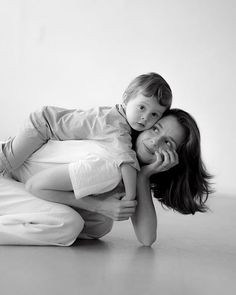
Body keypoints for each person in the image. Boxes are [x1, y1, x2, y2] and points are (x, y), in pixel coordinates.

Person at [0, 108, 212, 246]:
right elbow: (36, 185)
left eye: (168, 143)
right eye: (155, 129)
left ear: (174, 159)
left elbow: (146, 238)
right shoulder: (112, 163)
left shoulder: (128, 166)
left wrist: (143, 177)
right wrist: (99, 206)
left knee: (100, 224)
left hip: (20, 182)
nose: (156, 141)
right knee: (68, 224)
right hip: (7, 176)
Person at [0, 72, 172, 202]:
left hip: (46, 125)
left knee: (10, 157)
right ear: (127, 99)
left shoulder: (119, 120)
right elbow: (126, 159)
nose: (145, 118)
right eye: (142, 107)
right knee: (8, 161)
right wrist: (131, 194)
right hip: (43, 124)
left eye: (154, 114)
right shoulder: (117, 126)